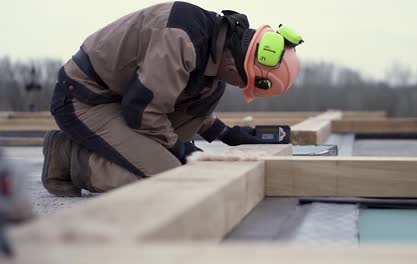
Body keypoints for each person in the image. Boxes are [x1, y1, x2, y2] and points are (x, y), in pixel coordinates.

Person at [42, 1, 302, 197]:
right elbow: (143, 112)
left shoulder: (214, 43)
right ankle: (69, 157)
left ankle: (131, 152)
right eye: (242, 84)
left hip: (124, 99)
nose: (237, 86)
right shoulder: (182, 41)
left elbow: (173, 98)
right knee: (175, 179)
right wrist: (182, 151)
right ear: (237, 68)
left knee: (209, 92)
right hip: (83, 100)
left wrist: (227, 134)